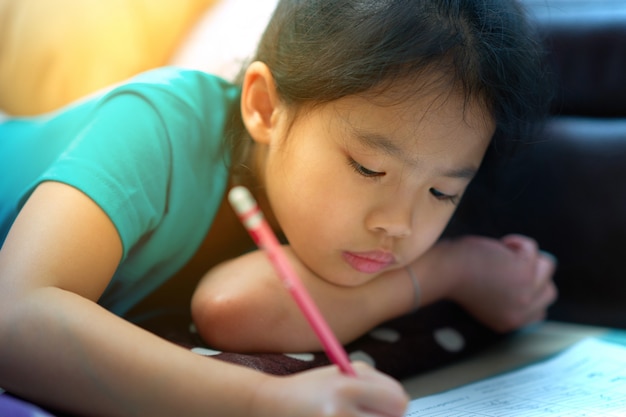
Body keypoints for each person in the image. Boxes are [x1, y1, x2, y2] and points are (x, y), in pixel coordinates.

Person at [0, 0, 557, 416]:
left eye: (442, 193)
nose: (398, 223)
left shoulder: (313, 205)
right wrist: (262, 401)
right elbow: (15, 319)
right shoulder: (154, 125)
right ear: (265, 108)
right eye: (367, 168)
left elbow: (238, 306)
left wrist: (451, 268)